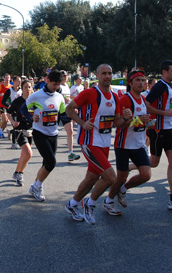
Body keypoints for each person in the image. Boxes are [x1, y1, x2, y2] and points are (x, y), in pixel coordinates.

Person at [64, 64, 119, 224]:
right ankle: (90, 203)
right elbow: (69, 109)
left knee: (91, 178)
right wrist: (82, 123)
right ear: (97, 75)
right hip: (89, 142)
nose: (107, 76)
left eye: (109, 73)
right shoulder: (89, 93)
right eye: (104, 73)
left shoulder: (115, 97)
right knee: (110, 177)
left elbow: (116, 121)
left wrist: (128, 118)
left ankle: (72, 204)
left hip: (104, 143)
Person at [145, 60, 172, 209]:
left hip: (169, 129)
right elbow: (147, 105)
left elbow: (170, 106)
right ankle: (125, 169)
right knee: (153, 163)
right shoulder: (159, 86)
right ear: (164, 72)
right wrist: (165, 113)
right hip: (158, 130)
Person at [106, 70, 153, 216]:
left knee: (146, 175)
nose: (141, 83)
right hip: (124, 143)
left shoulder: (143, 99)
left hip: (139, 144)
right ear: (130, 83)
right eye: (137, 80)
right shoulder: (126, 100)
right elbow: (119, 123)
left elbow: (143, 121)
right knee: (121, 176)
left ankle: (123, 189)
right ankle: (108, 201)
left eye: (143, 80)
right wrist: (139, 120)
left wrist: (149, 125)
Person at [24, 69, 66, 202]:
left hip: (53, 133)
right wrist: (32, 116)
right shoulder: (37, 96)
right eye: (54, 84)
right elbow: (24, 109)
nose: (56, 87)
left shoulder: (59, 96)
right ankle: (37, 186)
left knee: (46, 163)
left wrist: (75, 119)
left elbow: (63, 114)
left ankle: (36, 185)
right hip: (40, 133)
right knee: (51, 162)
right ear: (47, 80)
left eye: (58, 84)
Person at [7, 79, 34, 186]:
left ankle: (16, 172)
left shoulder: (34, 101)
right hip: (19, 131)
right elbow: (8, 113)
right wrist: (13, 122)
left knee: (24, 155)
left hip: (31, 131)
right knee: (28, 153)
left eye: (29, 87)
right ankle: (20, 174)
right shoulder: (18, 101)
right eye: (25, 87)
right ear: (22, 89)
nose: (28, 89)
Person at [60, 71, 80, 162]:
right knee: (51, 133)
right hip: (57, 111)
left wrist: (73, 108)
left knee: (70, 131)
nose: (65, 77)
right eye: (63, 76)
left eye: (66, 76)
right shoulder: (57, 86)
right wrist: (63, 99)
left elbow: (70, 100)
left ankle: (70, 153)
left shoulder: (67, 86)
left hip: (66, 111)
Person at [1, 75, 22, 149]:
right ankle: (14, 143)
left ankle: (10, 132)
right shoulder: (9, 91)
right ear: (13, 82)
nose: (19, 82)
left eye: (20, 81)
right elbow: (3, 101)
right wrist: (8, 106)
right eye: (18, 81)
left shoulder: (21, 90)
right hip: (12, 111)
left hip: (20, 110)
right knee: (15, 126)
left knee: (20, 127)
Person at [0, 73, 12, 138]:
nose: (7, 79)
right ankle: (1, 130)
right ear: (4, 78)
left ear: (10, 79)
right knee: (4, 119)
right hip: (2, 105)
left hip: (9, 105)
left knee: (6, 121)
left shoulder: (11, 87)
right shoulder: (0, 86)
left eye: (8, 78)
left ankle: (1, 130)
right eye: (6, 78)